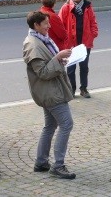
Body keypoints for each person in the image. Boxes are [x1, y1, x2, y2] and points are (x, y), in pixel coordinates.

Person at [23, 11, 76, 179]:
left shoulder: (39, 40)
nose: (49, 26)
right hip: (51, 93)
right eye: (46, 23)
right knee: (66, 124)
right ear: (36, 25)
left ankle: (41, 162)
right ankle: (58, 165)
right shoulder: (33, 45)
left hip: (50, 91)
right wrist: (58, 58)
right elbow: (44, 72)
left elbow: (48, 65)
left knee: (50, 126)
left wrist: (59, 60)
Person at [59, 0, 99, 98]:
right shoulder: (66, 7)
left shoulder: (88, 6)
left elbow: (93, 22)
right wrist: (64, 41)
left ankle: (84, 89)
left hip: (84, 43)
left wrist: (93, 34)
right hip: (70, 44)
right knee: (70, 68)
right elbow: (60, 25)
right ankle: (71, 90)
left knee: (84, 67)